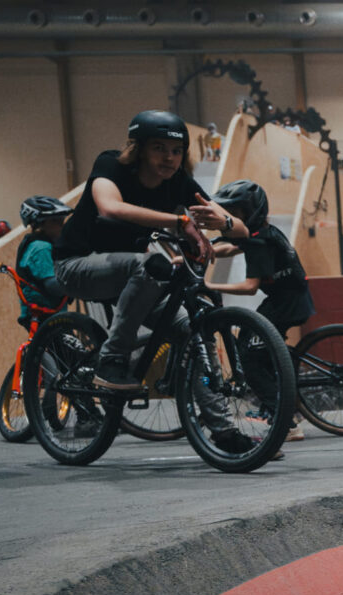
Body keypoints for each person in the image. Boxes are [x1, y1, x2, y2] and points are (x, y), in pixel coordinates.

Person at [54, 109, 255, 452]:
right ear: (139, 149)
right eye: (159, 148)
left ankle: (224, 432)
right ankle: (112, 359)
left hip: (134, 274)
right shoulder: (110, 166)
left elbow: (241, 230)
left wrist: (222, 222)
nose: (169, 158)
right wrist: (180, 222)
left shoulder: (178, 182)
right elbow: (109, 208)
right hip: (76, 265)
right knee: (151, 265)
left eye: (176, 151)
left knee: (193, 331)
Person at [206, 179, 313, 441]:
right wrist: (203, 253)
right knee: (256, 347)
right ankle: (280, 391)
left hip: (286, 304)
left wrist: (209, 286)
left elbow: (250, 287)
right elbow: (230, 247)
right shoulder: (262, 232)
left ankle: (286, 423)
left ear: (250, 213)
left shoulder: (258, 243)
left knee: (249, 357)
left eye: (235, 212)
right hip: (290, 299)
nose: (230, 218)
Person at [15, 195, 72, 325]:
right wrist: (78, 284)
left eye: (62, 220)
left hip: (50, 313)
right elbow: (52, 285)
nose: (61, 225)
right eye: (56, 221)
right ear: (40, 224)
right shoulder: (41, 248)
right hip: (42, 315)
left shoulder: (40, 244)